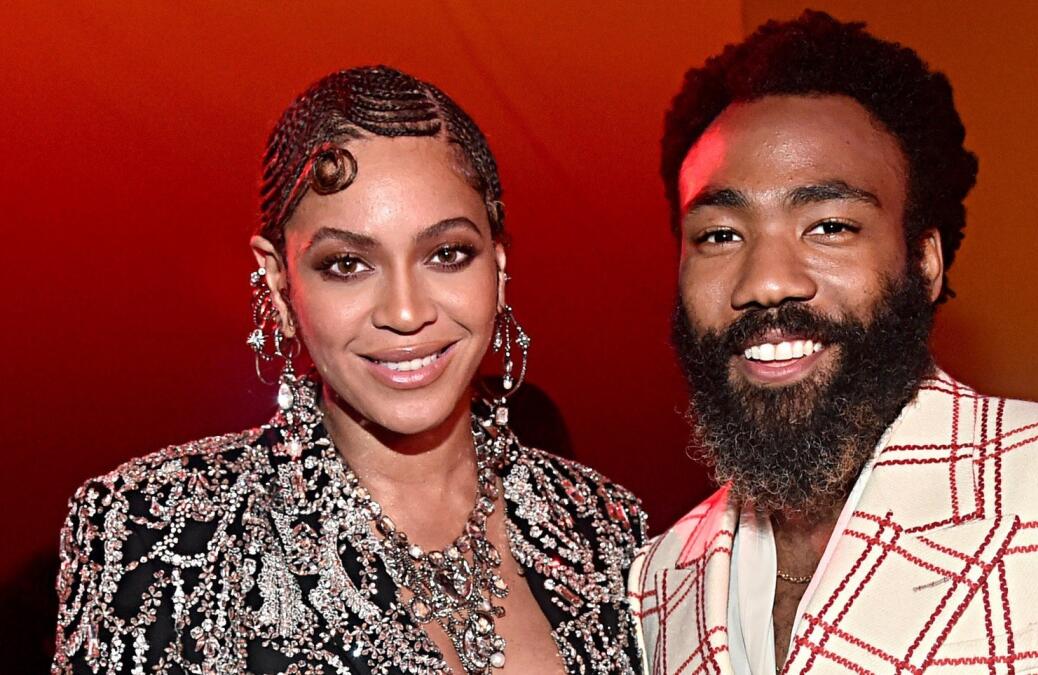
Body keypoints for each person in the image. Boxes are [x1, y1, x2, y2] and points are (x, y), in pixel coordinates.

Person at [628, 11, 1038, 674]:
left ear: (924, 261)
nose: (766, 281)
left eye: (830, 225)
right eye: (720, 235)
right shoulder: (659, 576)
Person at [53, 66, 645, 674]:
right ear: (279, 284)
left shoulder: (605, 528)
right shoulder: (157, 530)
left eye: (447, 254)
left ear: (496, 266)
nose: (407, 312)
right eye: (346, 265)